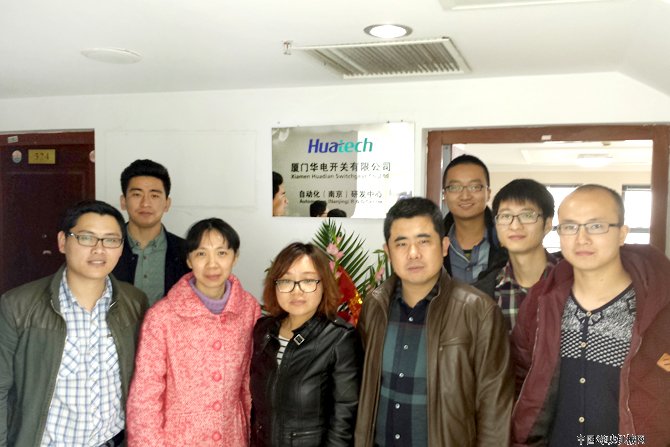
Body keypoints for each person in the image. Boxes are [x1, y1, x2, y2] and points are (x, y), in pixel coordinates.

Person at [512, 184, 670, 446]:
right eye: (570, 227)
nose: (581, 238)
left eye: (596, 226)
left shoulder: (658, 306)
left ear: (622, 234)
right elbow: (521, 379)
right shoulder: (541, 304)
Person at [355, 197, 513, 446]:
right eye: (401, 244)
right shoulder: (375, 306)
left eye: (424, 241)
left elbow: (494, 409)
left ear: (444, 246)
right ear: (388, 252)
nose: (413, 253)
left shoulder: (479, 311)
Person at [0, 200, 148, 446]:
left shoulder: (135, 303)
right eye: (86, 238)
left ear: (122, 247)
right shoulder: (18, 306)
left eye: (111, 240)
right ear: (62, 242)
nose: (99, 249)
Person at [126, 218, 261, 446]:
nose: (212, 264)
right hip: (178, 439)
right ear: (189, 259)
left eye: (221, 253)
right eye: (201, 254)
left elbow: (250, 384)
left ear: (235, 257)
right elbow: (145, 393)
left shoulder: (248, 309)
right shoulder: (162, 316)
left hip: (232, 436)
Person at [250, 242, 361, 446]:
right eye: (286, 281)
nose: (297, 291)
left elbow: (343, 422)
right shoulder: (263, 331)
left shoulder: (339, 338)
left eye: (308, 280)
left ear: (324, 284)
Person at [473, 178, 558, 331]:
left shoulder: (572, 281)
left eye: (527, 215)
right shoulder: (481, 294)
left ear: (547, 224)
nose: (515, 225)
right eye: (505, 216)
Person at [113, 159, 190, 305]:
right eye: (137, 194)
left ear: (167, 204)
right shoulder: (105, 247)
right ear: (123, 201)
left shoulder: (187, 252)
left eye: (154, 196)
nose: (145, 203)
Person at [441, 154, 504, 284]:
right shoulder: (433, 242)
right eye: (455, 187)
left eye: (474, 187)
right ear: (445, 195)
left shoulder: (506, 240)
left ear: (488, 193)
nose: (465, 196)